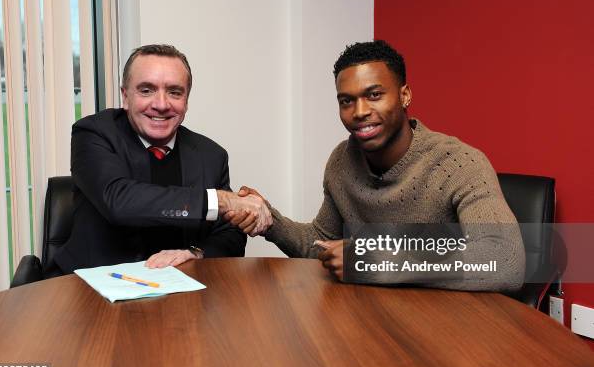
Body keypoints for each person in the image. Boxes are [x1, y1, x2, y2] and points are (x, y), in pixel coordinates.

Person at [226, 40, 525, 292]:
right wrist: (270, 220)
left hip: (455, 328)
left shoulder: (459, 163)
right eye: (346, 101)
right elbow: (321, 242)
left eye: (374, 95)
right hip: (378, 321)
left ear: (405, 95)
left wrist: (375, 262)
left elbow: (505, 259)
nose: (360, 112)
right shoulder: (341, 161)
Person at [52, 44, 271, 275]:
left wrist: (196, 253)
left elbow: (230, 235)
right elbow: (118, 200)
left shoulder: (211, 155)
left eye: (175, 92)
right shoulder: (94, 134)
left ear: (186, 100)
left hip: (180, 291)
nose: (161, 104)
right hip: (93, 288)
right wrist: (220, 200)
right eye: (146, 90)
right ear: (126, 97)